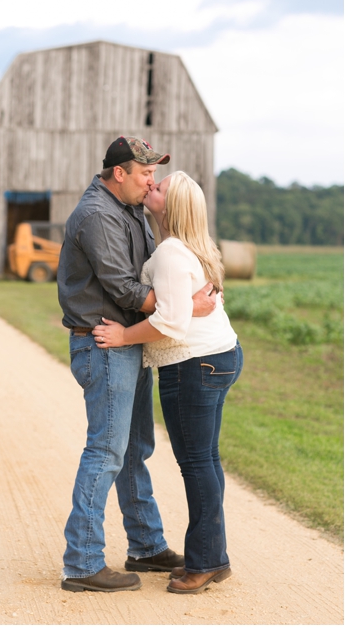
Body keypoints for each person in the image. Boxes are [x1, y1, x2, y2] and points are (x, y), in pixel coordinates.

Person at [58, 138, 216, 593]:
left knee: (134, 448)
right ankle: (82, 562)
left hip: (129, 343)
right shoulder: (96, 215)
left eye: (154, 175)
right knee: (106, 450)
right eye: (145, 173)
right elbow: (126, 289)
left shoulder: (127, 208)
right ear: (119, 173)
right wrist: (184, 308)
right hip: (104, 344)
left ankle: (146, 546)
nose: (151, 182)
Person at [93, 170, 242, 595]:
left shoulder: (173, 253)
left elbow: (172, 322)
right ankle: (211, 555)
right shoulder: (189, 248)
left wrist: (123, 336)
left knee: (197, 464)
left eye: (159, 187)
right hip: (217, 357)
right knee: (206, 462)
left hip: (194, 364)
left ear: (171, 205)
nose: (150, 187)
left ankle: (206, 561)